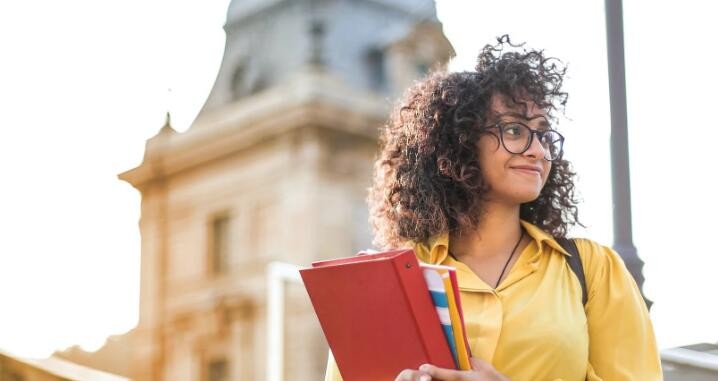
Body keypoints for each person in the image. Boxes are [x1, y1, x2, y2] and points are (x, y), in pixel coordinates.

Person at [324, 36, 662, 381]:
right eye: (515, 130)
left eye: (543, 134)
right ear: (461, 143)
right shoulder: (391, 280)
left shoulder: (592, 270)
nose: (538, 151)